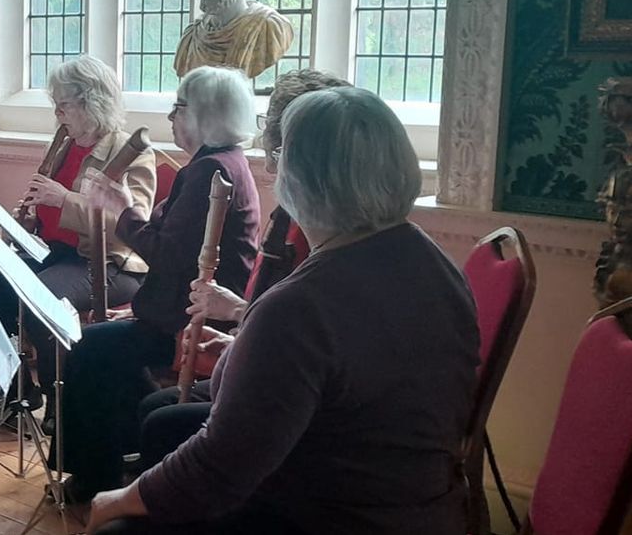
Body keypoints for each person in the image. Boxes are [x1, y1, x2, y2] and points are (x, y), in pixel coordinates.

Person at [88, 87, 480, 534]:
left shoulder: (300, 305)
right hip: (420, 502)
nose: (272, 170)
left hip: (337, 514)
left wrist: (117, 498)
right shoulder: (436, 264)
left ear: (300, 180)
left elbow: (218, 469)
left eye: (278, 158)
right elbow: (355, 371)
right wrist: (244, 348)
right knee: (166, 428)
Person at [55, 65, 261, 503]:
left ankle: (94, 478)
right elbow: (175, 250)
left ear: (204, 115)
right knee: (103, 348)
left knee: (88, 349)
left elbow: (167, 256)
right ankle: (123, 456)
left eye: (178, 107)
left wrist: (124, 208)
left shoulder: (209, 170)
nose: (170, 116)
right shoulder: (221, 162)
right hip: (178, 308)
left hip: (193, 322)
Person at [132, 68, 349, 420]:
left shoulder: (329, 227)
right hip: (255, 346)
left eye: (278, 147)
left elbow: (313, 334)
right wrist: (241, 330)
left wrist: (239, 315)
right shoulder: (296, 211)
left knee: (155, 414)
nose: (272, 162)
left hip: (294, 395)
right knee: (152, 408)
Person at [0, 55, 155, 408]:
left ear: (93, 102)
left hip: (109, 263)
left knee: (42, 298)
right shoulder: (60, 145)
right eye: (55, 105)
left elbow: (132, 225)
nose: (57, 114)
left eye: (64, 106)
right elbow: (46, 210)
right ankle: (14, 392)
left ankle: (59, 401)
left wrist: (64, 200)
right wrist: (28, 221)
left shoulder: (132, 153)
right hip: (54, 253)